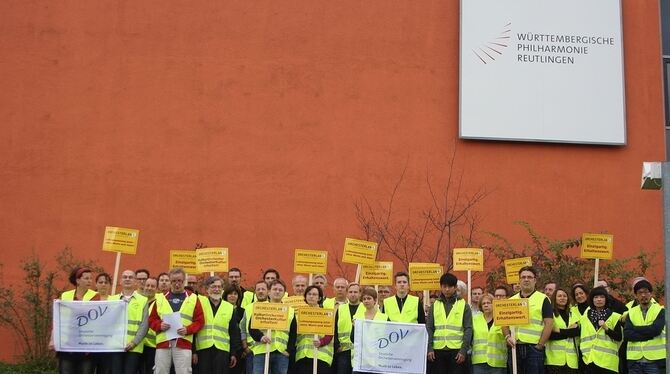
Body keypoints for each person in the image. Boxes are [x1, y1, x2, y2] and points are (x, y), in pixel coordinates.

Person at [149, 267, 205, 374]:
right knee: (160, 371)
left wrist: (187, 329)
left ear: (184, 281)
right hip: (163, 343)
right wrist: (159, 325)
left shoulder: (193, 298)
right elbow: (152, 319)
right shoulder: (160, 298)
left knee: (183, 372)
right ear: (170, 282)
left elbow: (200, 321)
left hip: (183, 342)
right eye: (174, 281)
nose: (177, 284)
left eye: (179, 281)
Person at [502, 266, 553, 374]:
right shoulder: (511, 300)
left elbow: (549, 324)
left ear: (535, 280)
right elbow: (504, 323)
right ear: (519, 280)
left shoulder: (543, 299)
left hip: (534, 348)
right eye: (523, 277)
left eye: (529, 277)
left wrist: (540, 345)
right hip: (515, 347)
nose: (526, 279)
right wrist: (507, 337)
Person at [52, 267, 100, 374]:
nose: (89, 281)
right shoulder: (65, 295)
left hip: (86, 344)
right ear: (77, 280)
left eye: (90, 278)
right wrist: (53, 339)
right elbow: (59, 319)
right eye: (86, 278)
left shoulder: (95, 296)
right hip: (67, 342)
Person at [426, 272, 473, 374]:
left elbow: (468, 329)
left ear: (455, 287)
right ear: (441, 287)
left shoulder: (464, 305)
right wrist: (429, 348)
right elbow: (429, 327)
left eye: (450, 286)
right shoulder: (435, 305)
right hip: (437, 351)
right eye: (444, 286)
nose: (447, 289)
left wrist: (463, 350)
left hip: (457, 351)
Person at [194, 276, 241, 374]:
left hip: (222, 351)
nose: (217, 289)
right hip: (203, 350)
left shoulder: (229, 307)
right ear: (207, 289)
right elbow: (194, 328)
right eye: (213, 287)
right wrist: (193, 351)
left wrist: (233, 353)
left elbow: (233, 332)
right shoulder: (200, 303)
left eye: (219, 287)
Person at [248, 280, 296, 374]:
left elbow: (293, 333)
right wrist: (260, 337)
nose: (277, 291)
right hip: (262, 350)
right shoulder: (259, 307)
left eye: (280, 290)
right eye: (275, 289)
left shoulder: (290, 311)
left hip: (281, 352)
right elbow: (252, 327)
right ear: (269, 292)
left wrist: (289, 350)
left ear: (284, 293)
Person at [108, 269, 149, 374]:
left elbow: (144, 325)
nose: (127, 279)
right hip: (115, 346)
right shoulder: (111, 300)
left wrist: (134, 342)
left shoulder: (143, 300)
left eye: (130, 277)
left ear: (135, 281)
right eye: (125, 277)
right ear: (120, 281)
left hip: (134, 348)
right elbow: (107, 323)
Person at [623, 279, 666, 374]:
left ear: (651, 294)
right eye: (640, 293)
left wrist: (634, 328)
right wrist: (649, 335)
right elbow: (627, 334)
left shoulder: (660, 310)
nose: (643, 295)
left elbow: (656, 330)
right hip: (634, 361)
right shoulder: (631, 312)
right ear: (635, 295)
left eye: (646, 292)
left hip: (655, 361)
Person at [579, 287, 623, 373]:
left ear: (606, 299)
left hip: (607, 363)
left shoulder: (613, 316)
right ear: (592, 300)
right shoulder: (584, 317)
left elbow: (619, 337)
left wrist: (607, 329)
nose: (599, 300)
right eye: (596, 297)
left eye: (602, 297)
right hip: (589, 360)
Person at [295, 285, 335, 374]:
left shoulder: (326, 314)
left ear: (319, 297)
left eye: (314, 294)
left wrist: (321, 342)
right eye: (309, 294)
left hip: (321, 355)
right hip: (303, 355)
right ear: (305, 296)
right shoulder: (299, 315)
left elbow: (330, 334)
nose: (311, 296)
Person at [351, 287, 389, 374]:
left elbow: (388, 340)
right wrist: (354, 328)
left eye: (369, 298)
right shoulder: (357, 318)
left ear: (375, 300)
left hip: (378, 362)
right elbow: (352, 339)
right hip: (360, 362)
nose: (366, 301)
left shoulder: (384, 318)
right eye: (364, 299)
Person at [546, 288, 580, 373]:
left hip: (572, 361)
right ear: (555, 298)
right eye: (559, 296)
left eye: (565, 296)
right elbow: (550, 335)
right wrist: (569, 332)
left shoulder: (573, 313)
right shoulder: (550, 313)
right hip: (554, 360)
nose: (562, 298)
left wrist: (559, 331)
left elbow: (577, 332)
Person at [333, 283, 364, 374]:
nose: (353, 294)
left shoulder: (365, 307)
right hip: (344, 351)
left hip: (360, 351)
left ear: (360, 294)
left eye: (355, 292)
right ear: (347, 293)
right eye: (350, 292)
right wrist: (337, 346)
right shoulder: (341, 308)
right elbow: (335, 328)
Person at [471, 293, 506, 374]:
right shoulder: (475, 319)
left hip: (497, 362)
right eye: (483, 303)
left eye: (488, 303)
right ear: (481, 306)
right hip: (479, 362)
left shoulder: (502, 318)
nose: (486, 305)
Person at [241, 280, 270, 374]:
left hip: (269, 349)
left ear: (268, 291)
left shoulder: (274, 308)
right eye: (258, 289)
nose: (261, 291)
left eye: (263, 289)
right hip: (251, 350)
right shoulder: (248, 308)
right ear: (255, 292)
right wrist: (245, 346)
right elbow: (243, 328)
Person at [224, 284, 246, 374]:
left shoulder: (243, 311)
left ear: (239, 296)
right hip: (224, 347)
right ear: (225, 296)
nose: (232, 296)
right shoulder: (222, 310)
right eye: (230, 294)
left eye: (235, 294)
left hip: (239, 350)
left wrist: (244, 349)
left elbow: (245, 330)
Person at [139, 277, 158, 374]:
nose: (149, 288)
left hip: (152, 346)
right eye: (147, 285)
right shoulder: (138, 301)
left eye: (152, 286)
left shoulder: (159, 303)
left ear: (157, 289)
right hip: (138, 344)